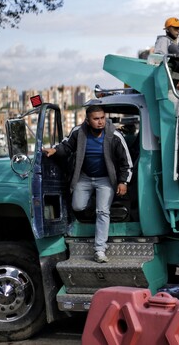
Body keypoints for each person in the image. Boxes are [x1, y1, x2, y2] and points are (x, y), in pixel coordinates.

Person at [43, 105, 133, 263]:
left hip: (106, 179)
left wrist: (123, 181)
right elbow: (66, 146)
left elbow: (126, 162)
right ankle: (95, 201)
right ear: (88, 120)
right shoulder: (79, 132)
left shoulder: (114, 135)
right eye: (96, 119)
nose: (100, 122)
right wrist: (55, 151)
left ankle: (99, 249)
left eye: (102, 118)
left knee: (103, 211)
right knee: (77, 206)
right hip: (84, 177)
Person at [155, 17, 179, 90]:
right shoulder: (163, 40)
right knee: (172, 48)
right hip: (167, 77)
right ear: (167, 29)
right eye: (175, 28)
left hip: (178, 76)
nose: (178, 31)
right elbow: (158, 60)